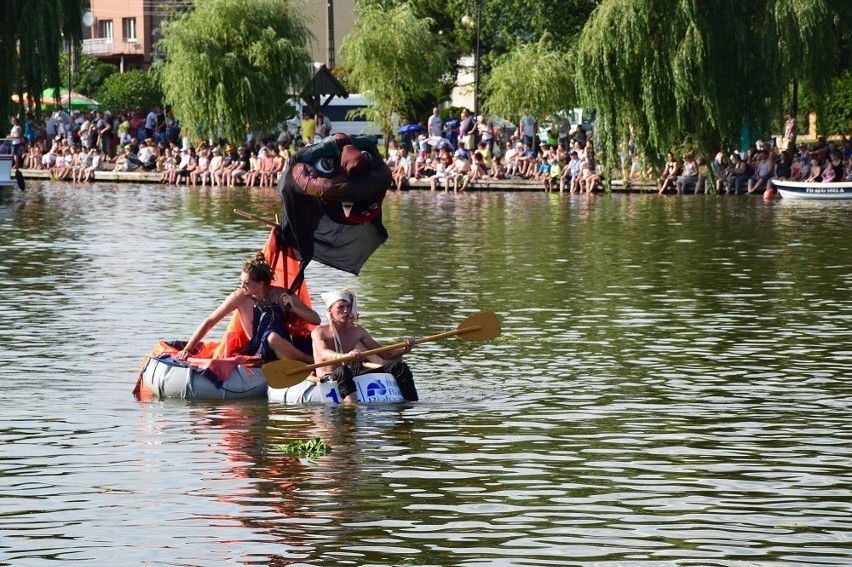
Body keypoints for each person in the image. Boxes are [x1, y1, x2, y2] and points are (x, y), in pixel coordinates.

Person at [176, 252, 320, 363]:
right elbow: (210, 321)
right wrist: (188, 348)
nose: (241, 286)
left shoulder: (280, 294)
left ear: (261, 284)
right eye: (240, 282)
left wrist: (294, 308)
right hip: (259, 349)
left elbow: (316, 319)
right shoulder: (239, 297)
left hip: (285, 343)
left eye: (246, 283)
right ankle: (311, 362)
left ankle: (301, 361)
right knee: (272, 337)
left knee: (316, 338)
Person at [311, 289, 417, 404]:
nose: (346, 311)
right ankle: (352, 408)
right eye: (341, 307)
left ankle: (411, 403)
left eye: (348, 306)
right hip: (329, 377)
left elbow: (385, 354)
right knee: (343, 370)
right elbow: (323, 353)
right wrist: (345, 356)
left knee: (398, 366)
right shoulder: (319, 332)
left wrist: (405, 349)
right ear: (330, 310)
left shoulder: (357, 331)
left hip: (349, 374)